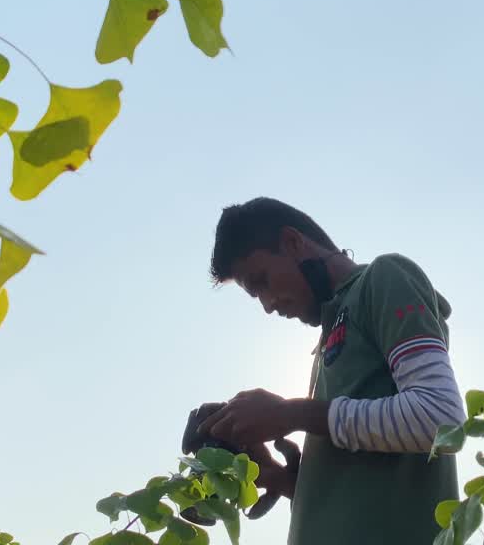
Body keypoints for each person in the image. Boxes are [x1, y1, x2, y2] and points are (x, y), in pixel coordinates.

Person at [197, 197, 466, 544]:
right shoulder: (327, 339)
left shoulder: (384, 279)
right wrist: (287, 480)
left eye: (262, 281)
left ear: (293, 242)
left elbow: (442, 420)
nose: (267, 305)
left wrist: (289, 413)